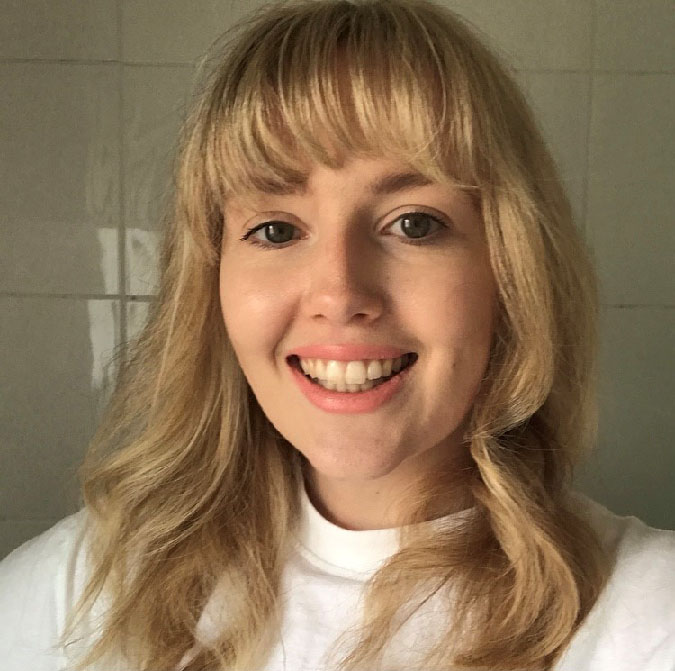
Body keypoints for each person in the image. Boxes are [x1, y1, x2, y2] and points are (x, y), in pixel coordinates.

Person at [1, 0, 674, 669]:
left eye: (414, 223)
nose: (338, 294)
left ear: (512, 269)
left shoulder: (649, 618)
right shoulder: (80, 589)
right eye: (275, 229)